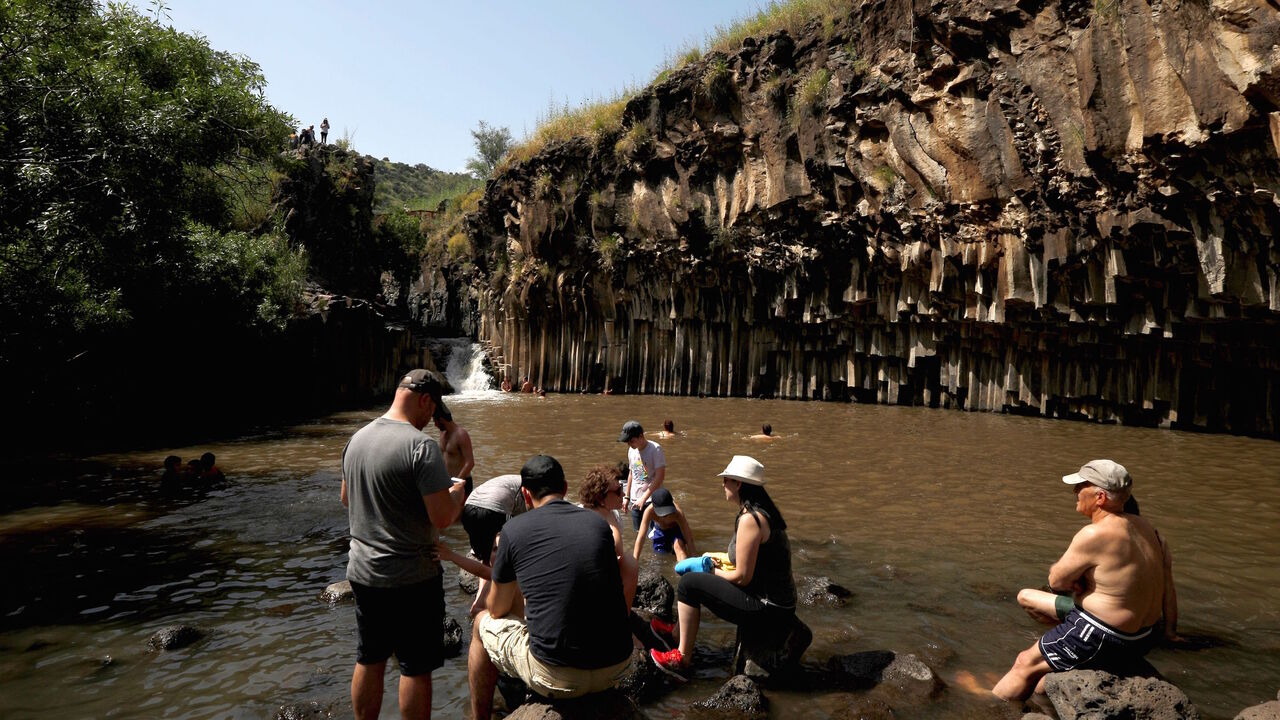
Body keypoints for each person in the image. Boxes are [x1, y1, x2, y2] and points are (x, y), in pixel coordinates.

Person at [340, 368, 468, 720]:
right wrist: (456, 494)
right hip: (412, 575)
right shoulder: (421, 446)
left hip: (363, 572)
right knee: (414, 666)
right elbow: (442, 518)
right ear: (424, 400)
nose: (431, 419)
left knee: (370, 656)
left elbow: (346, 498)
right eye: (432, 410)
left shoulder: (357, 439)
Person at [468, 455, 635, 719]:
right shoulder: (599, 524)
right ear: (565, 488)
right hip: (617, 665)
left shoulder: (512, 530)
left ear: (525, 493)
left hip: (557, 676)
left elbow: (497, 609)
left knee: (480, 624)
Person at [991, 460, 1167, 702]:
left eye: (1081, 486)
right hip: (1144, 636)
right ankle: (1044, 677)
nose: (1075, 492)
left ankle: (986, 707)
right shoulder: (1144, 525)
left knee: (1025, 662)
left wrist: (1077, 581)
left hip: (1105, 634)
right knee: (1043, 666)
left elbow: (1057, 581)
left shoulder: (1096, 533)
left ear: (1100, 497)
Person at [650, 455, 800, 677]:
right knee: (697, 578)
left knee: (689, 584)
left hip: (769, 609)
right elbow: (747, 562)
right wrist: (716, 559)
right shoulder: (759, 512)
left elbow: (742, 577)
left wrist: (708, 569)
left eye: (726, 479)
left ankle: (681, 658)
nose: (723, 484)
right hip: (777, 602)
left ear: (739, 484)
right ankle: (675, 634)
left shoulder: (751, 519)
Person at [447, 473, 527, 615]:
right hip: (493, 508)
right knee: (503, 561)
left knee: (485, 557)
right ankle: (490, 600)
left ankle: (478, 601)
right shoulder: (533, 492)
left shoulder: (515, 482)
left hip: (470, 507)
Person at [578, 464, 638, 606]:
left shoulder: (613, 513)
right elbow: (618, 549)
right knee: (630, 563)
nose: (623, 494)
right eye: (618, 491)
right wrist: (609, 518)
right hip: (582, 578)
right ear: (600, 497)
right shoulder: (584, 516)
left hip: (598, 572)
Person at [618, 420, 666, 531]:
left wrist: (644, 498)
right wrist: (627, 497)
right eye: (627, 442)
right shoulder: (631, 450)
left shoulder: (655, 449)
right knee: (638, 534)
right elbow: (631, 473)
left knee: (653, 534)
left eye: (631, 441)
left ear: (641, 436)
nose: (629, 444)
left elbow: (660, 477)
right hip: (635, 501)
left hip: (651, 501)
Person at [633, 488, 696, 561]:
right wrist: (635, 560)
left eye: (667, 513)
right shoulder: (649, 512)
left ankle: (684, 569)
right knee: (661, 555)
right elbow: (641, 537)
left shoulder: (677, 512)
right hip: (660, 530)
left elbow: (688, 538)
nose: (665, 517)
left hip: (676, 529)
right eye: (662, 515)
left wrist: (693, 557)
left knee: (679, 548)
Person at [434, 407, 474, 494]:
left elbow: (470, 462)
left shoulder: (461, 435)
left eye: (435, 421)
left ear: (441, 420)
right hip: (446, 482)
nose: (435, 425)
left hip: (462, 482)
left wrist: (456, 482)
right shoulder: (442, 433)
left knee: (459, 508)